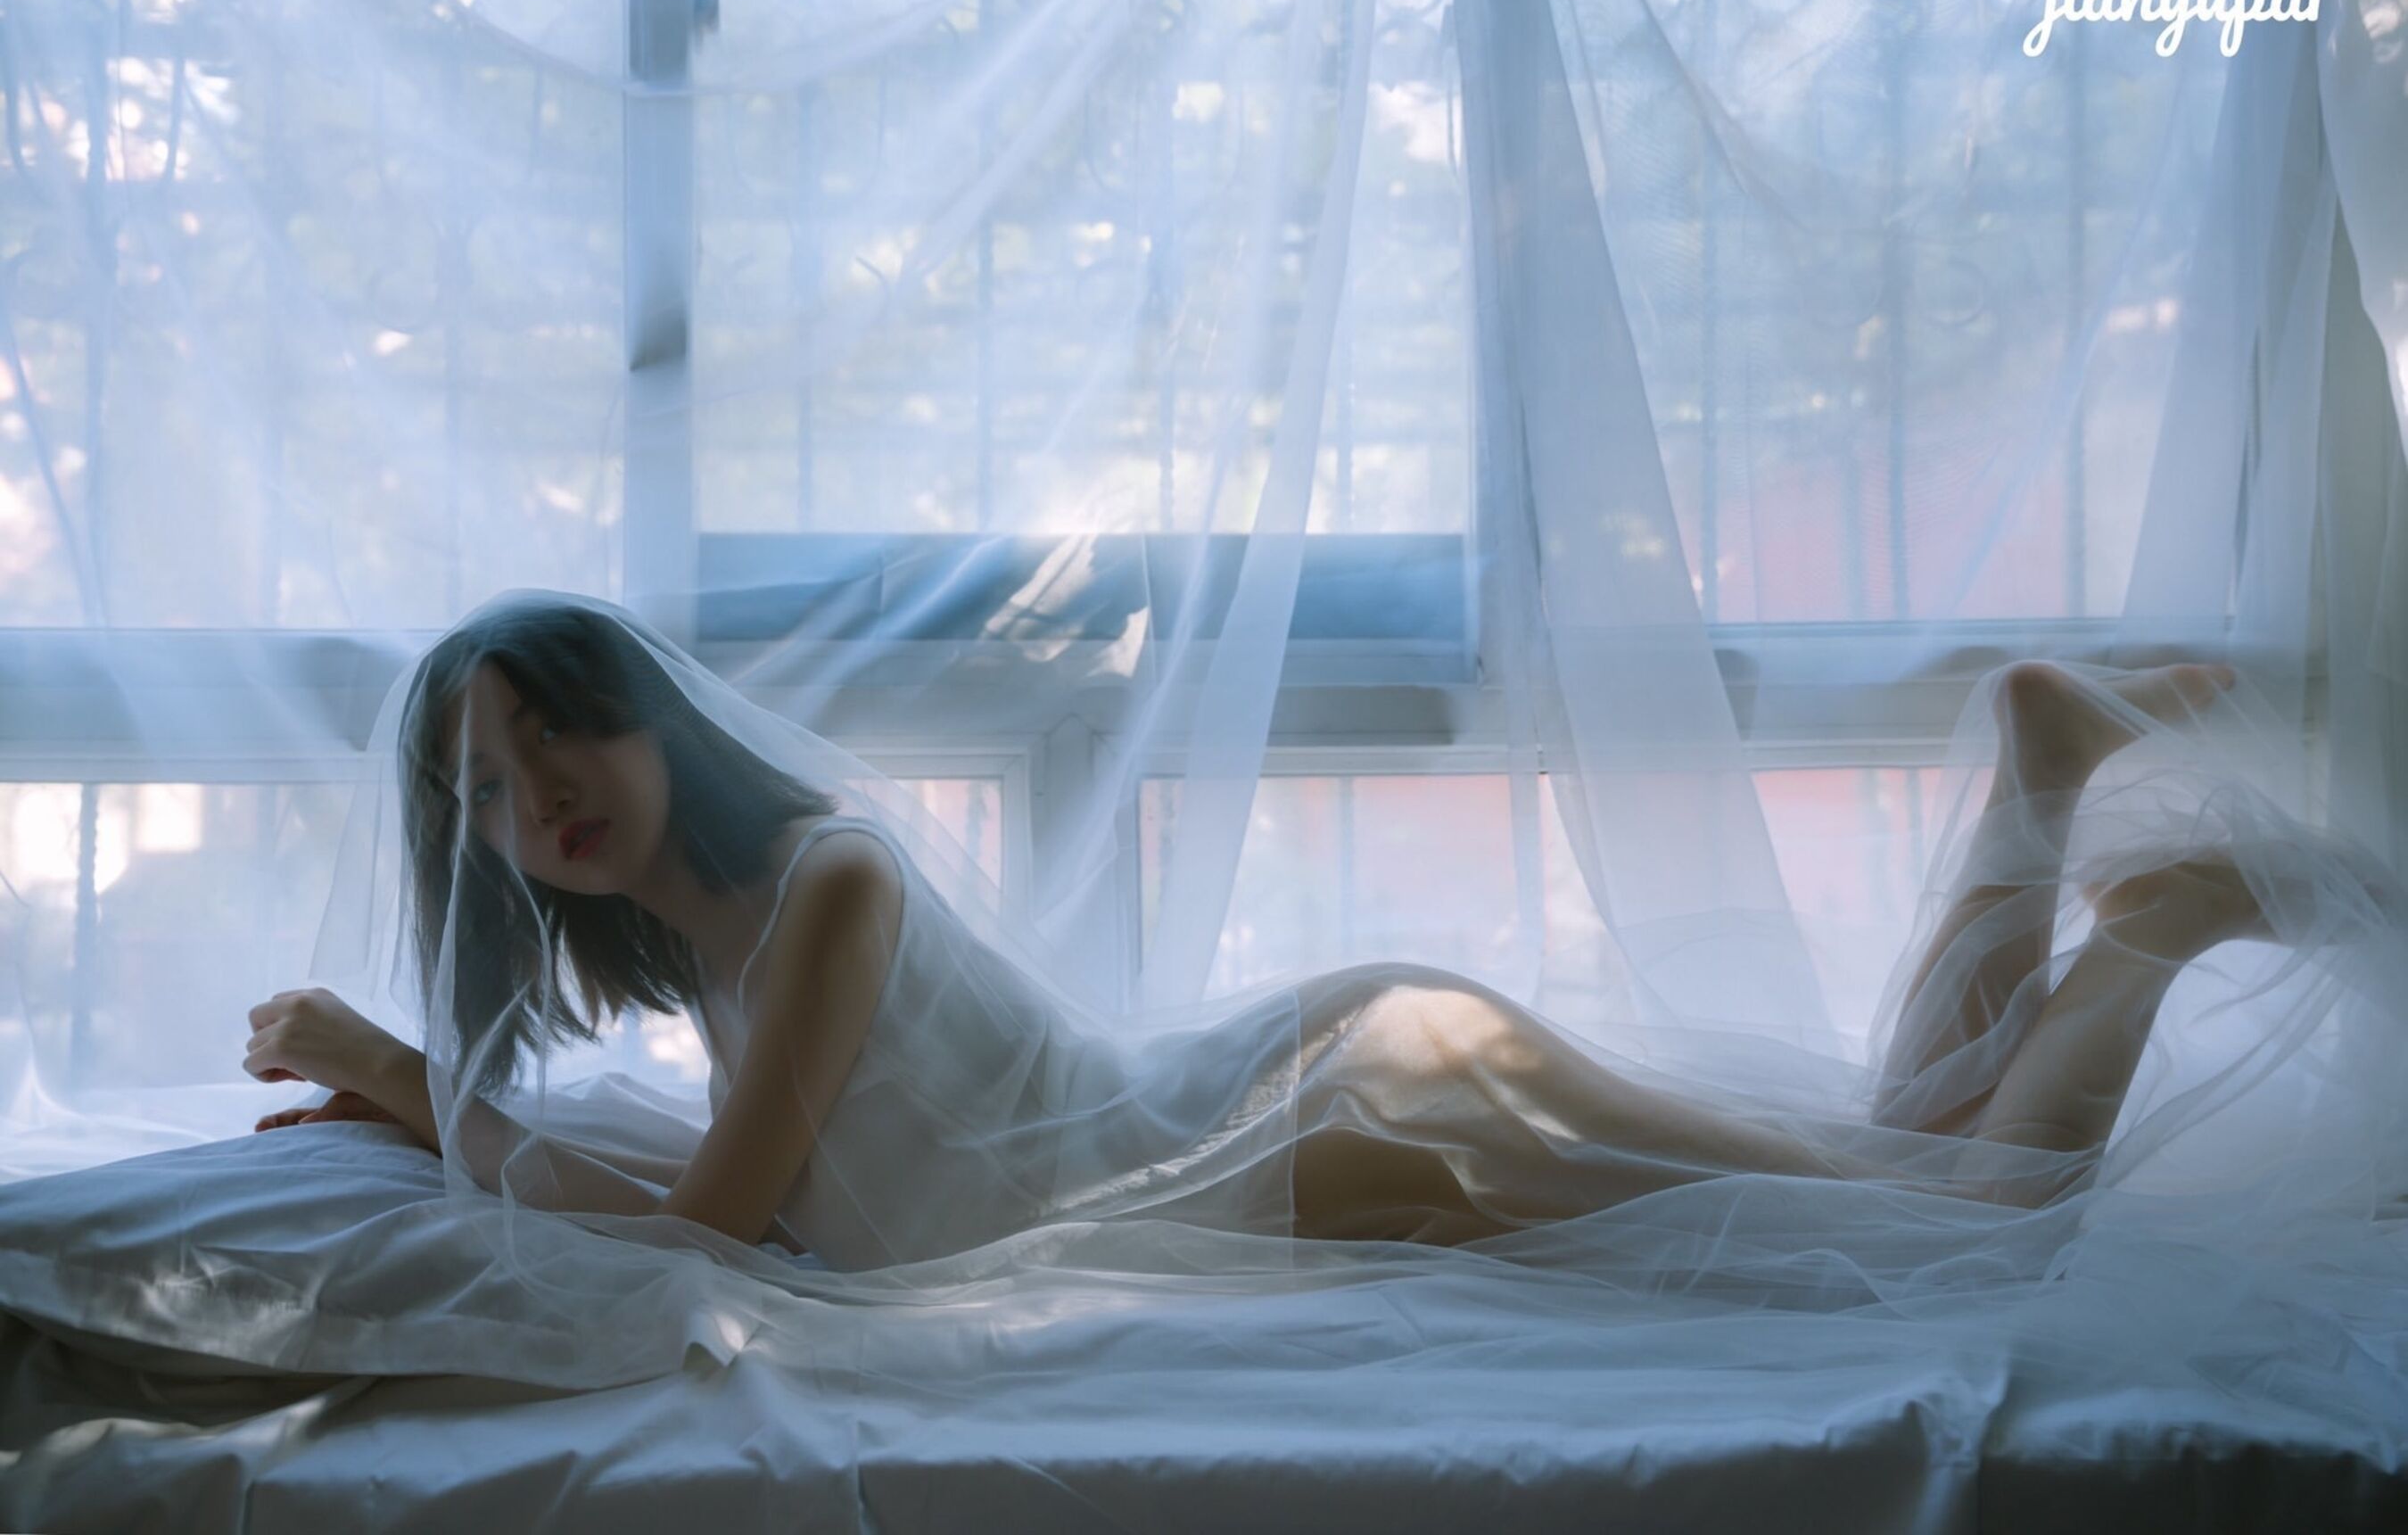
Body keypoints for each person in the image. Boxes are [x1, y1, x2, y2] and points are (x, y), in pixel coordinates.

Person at [247, 590, 2408, 1267]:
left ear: (648, 716)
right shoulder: (726, 938)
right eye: (486, 792)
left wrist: (405, 1078)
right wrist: (420, 1096)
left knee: (1967, 1228)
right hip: (1313, 1130)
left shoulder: (822, 881)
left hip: (1335, 1120)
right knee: (1893, 1181)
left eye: (558, 736)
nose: (538, 801)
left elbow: (716, 1232)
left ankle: (2150, 926)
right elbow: (730, 1191)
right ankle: (2039, 771)